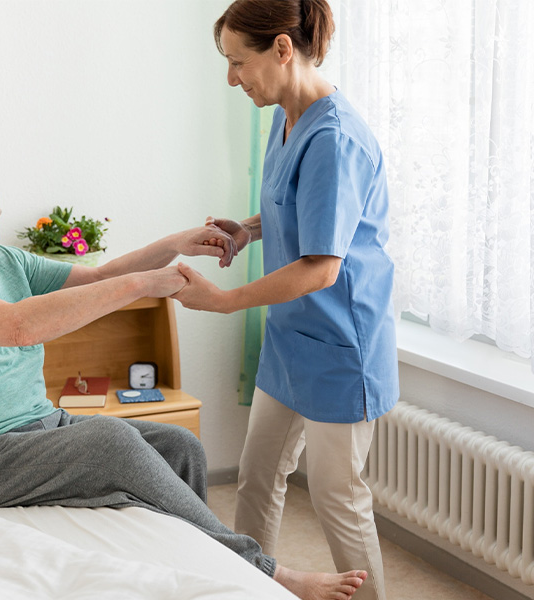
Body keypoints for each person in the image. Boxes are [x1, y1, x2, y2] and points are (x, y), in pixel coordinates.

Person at [0, 154, 366, 600]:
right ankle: (261, 570)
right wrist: (145, 284)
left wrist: (175, 244)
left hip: (34, 426)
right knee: (113, 441)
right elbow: (18, 327)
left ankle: (193, 573)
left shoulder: (2, 260)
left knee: (179, 446)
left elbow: (97, 278)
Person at [172, 2, 399, 600]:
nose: (231, 79)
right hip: (290, 339)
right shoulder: (286, 115)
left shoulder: (336, 138)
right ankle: (247, 588)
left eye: (237, 62)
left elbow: (322, 266)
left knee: (337, 497)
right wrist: (248, 229)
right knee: (256, 480)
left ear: (281, 49)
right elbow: (294, 209)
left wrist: (225, 302)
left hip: (340, 344)